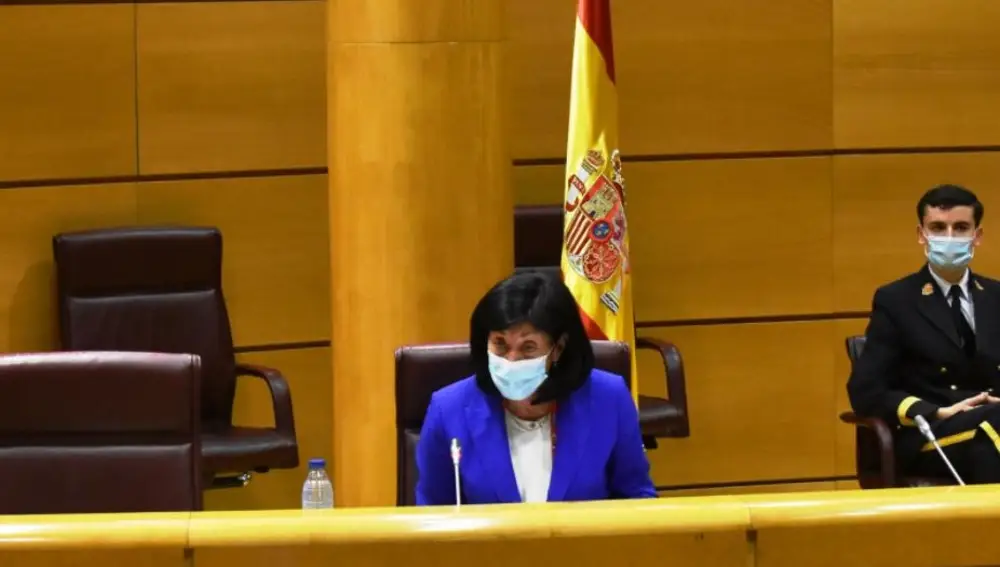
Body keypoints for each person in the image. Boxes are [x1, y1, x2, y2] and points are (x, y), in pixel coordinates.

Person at [415, 272, 656, 505]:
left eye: (528, 347)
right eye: (500, 344)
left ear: (558, 348)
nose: (511, 359)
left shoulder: (609, 399)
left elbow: (637, 501)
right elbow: (431, 517)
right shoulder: (448, 409)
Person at [848, 184, 1000, 484]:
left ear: (977, 236)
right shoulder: (897, 300)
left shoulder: (996, 296)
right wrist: (937, 411)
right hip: (932, 433)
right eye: (938, 228)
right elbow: (866, 390)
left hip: (991, 425)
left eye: (960, 228)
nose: (949, 237)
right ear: (922, 235)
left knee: (990, 434)